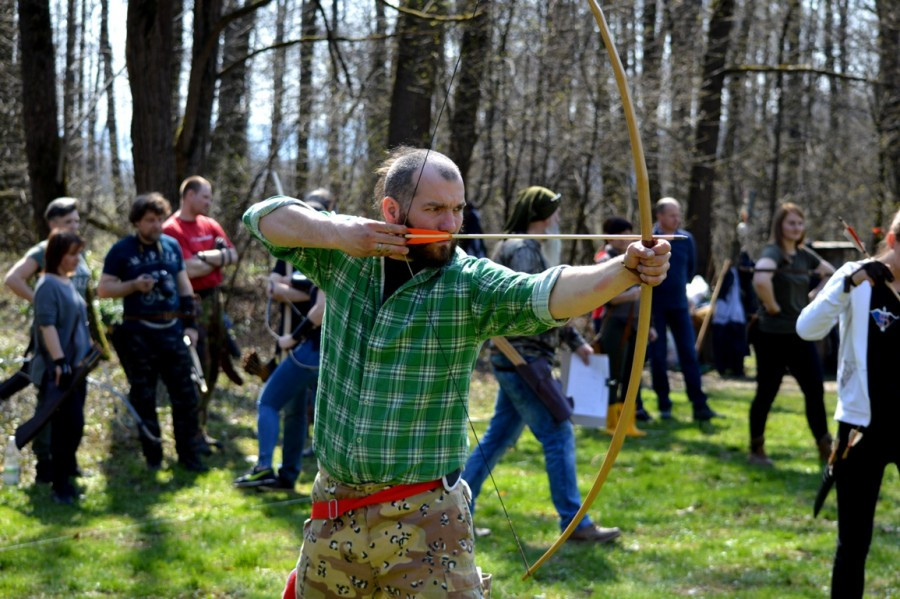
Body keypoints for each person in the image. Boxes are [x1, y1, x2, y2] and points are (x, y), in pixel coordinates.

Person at [243, 146, 671, 597]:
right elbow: (261, 217)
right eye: (434, 210)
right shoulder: (345, 256)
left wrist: (624, 270)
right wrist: (337, 231)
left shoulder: (469, 282)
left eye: (457, 210)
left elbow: (547, 293)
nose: (450, 225)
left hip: (428, 523)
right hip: (334, 513)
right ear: (393, 210)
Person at [462, 187, 621, 544]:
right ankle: (575, 523)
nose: (558, 222)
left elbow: (548, 306)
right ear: (545, 216)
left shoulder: (523, 247)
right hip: (522, 359)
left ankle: (456, 514)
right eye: (554, 214)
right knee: (558, 431)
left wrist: (577, 343)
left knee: (498, 438)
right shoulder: (522, 249)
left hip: (520, 358)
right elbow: (536, 305)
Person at [796, 208, 900, 599]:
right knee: (854, 543)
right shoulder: (857, 279)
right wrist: (847, 282)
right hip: (861, 430)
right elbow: (807, 329)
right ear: (891, 241)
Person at [97, 193, 207, 472]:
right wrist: (134, 285)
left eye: (159, 219)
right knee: (144, 397)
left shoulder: (171, 246)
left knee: (185, 396)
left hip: (172, 331)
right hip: (138, 334)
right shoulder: (122, 250)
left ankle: (189, 456)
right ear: (137, 222)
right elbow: (104, 289)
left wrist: (191, 325)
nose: (156, 225)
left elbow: (184, 286)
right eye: (150, 220)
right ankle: (153, 458)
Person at [2, 198, 94, 483]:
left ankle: (67, 464)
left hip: (76, 340)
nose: (75, 226)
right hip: (52, 338)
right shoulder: (46, 252)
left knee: (71, 409)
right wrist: (45, 305)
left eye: (77, 221)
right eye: (69, 222)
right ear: (52, 224)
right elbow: (12, 279)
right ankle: (46, 467)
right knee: (50, 403)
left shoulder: (74, 251)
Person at [749, 202, 835, 466]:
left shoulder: (803, 255)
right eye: (791, 223)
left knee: (814, 391)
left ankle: (825, 448)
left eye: (799, 223)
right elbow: (761, 279)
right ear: (780, 225)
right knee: (767, 391)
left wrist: (813, 297)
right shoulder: (773, 251)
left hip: (800, 335)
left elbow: (830, 273)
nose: (796, 228)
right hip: (772, 335)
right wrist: (773, 307)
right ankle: (756, 450)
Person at [162, 176, 239, 441]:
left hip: (214, 299)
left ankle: (201, 427)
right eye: (205, 196)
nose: (209, 201)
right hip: (191, 304)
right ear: (189, 195)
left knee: (216, 361)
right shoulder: (171, 230)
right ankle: (191, 431)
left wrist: (205, 259)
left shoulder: (210, 224)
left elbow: (233, 254)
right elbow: (187, 269)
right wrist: (217, 259)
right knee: (199, 363)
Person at [233, 281, 325, 490]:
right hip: (326, 352)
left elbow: (321, 309)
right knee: (296, 414)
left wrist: (293, 338)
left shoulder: (331, 259)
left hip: (311, 349)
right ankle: (288, 475)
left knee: (268, 402)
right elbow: (273, 285)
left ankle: (264, 467)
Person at [31, 230, 93, 504]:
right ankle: (59, 486)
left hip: (77, 368)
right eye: (72, 254)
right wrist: (59, 362)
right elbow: (47, 326)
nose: (77, 259)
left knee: (75, 426)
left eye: (78, 253)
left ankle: (66, 474)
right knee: (64, 428)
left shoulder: (66, 282)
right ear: (57, 255)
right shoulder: (46, 285)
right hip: (60, 371)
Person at [647, 197, 718, 421]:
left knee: (688, 353)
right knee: (658, 357)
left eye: (678, 214)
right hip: (655, 306)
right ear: (660, 216)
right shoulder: (649, 240)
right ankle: (664, 404)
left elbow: (689, 271)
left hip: (679, 305)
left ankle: (699, 405)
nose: (676, 219)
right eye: (671, 215)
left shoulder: (686, 239)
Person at [595, 217, 655, 427]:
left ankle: (627, 422)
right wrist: (631, 295)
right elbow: (606, 297)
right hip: (615, 324)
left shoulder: (634, 259)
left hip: (634, 324)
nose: (626, 237)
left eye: (629, 232)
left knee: (632, 374)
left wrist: (650, 326)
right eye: (621, 232)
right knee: (613, 373)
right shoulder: (605, 259)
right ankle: (610, 421)